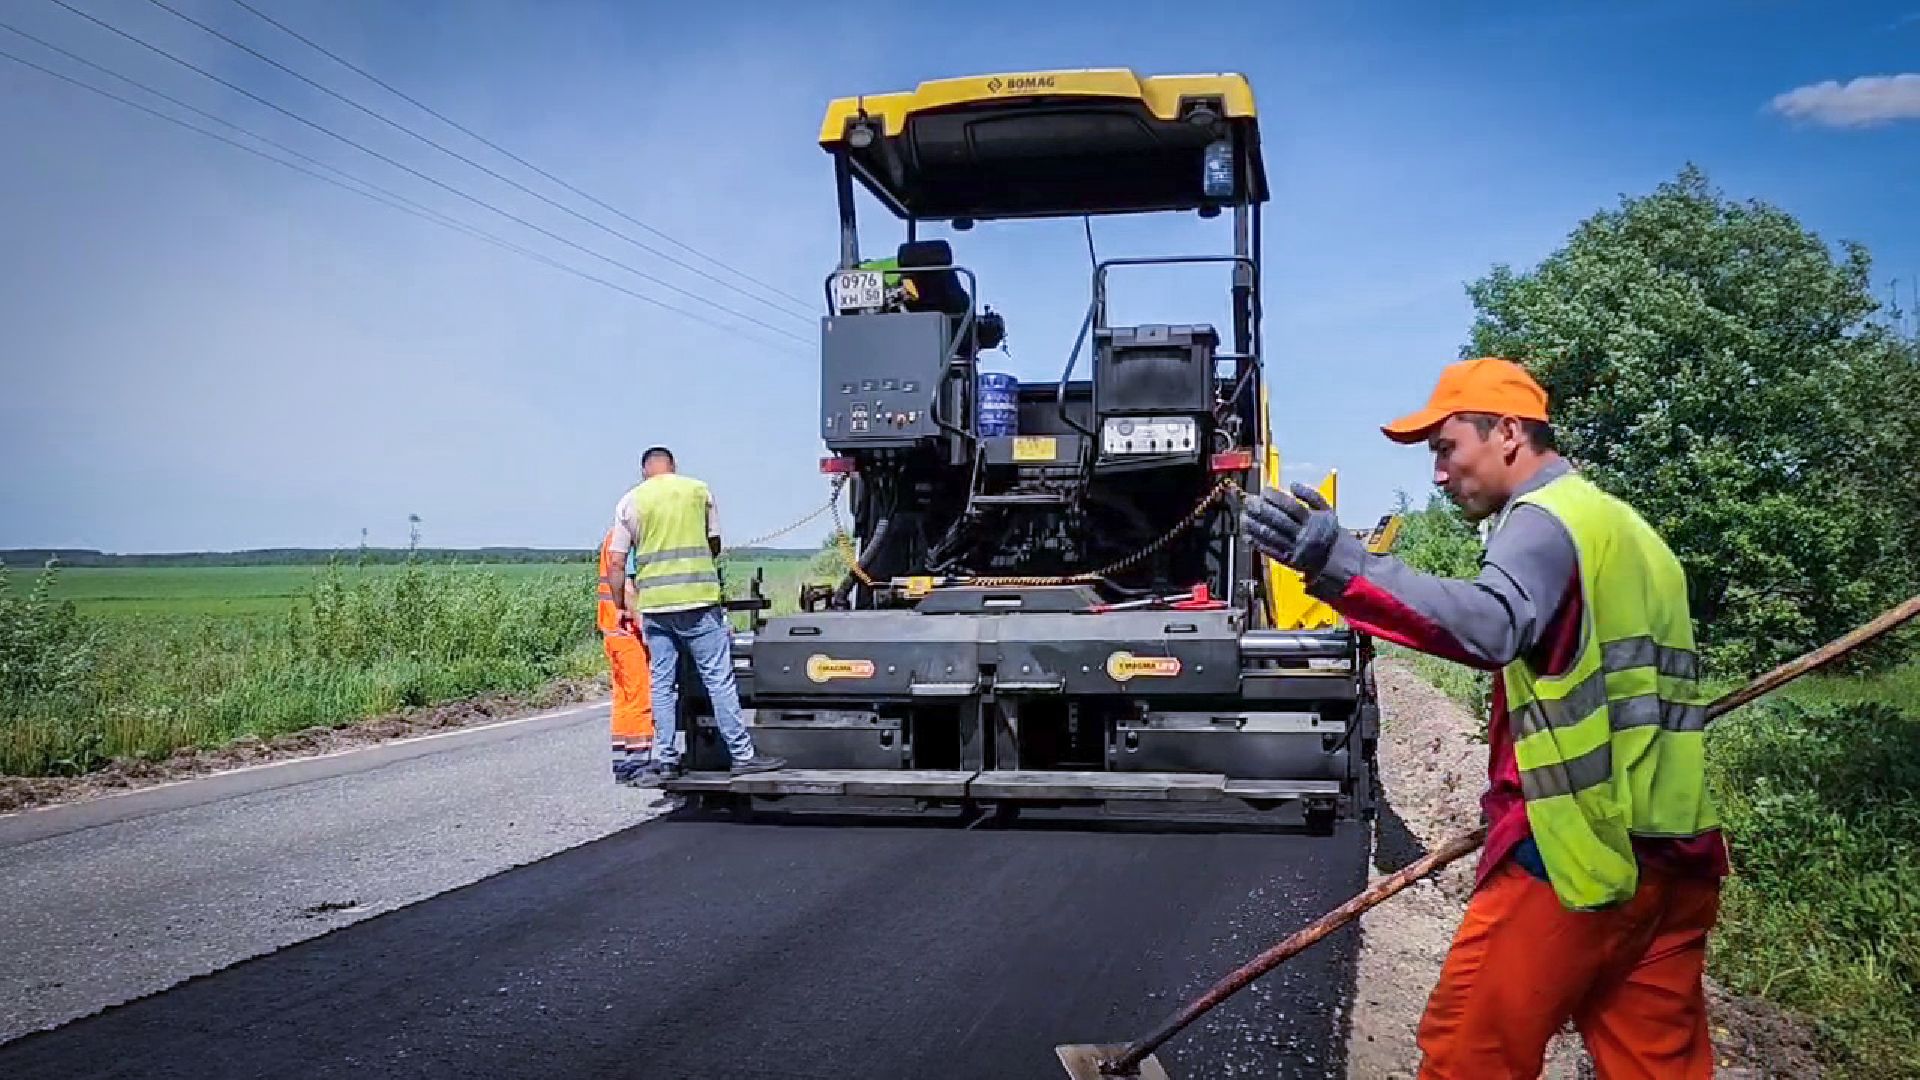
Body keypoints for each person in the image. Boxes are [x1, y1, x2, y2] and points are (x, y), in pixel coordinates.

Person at [1242, 357, 1727, 1080]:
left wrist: (1343, 565)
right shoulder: (1627, 530)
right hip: (1675, 854)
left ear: (1507, 432)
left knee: (1470, 1053)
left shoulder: (1543, 521)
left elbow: (1494, 625)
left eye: (1446, 447)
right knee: (1657, 1064)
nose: (1439, 473)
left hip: (1574, 859)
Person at [605, 446, 784, 786]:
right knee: (718, 679)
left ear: (645, 471)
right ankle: (743, 756)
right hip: (699, 603)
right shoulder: (698, 490)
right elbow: (713, 544)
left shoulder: (630, 501)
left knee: (661, 683)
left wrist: (620, 606)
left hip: (657, 608)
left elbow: (616, 563)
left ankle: (669, 760)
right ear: (673, 467)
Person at [596, 524, 653, 784]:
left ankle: (623, 761)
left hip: (613, 631)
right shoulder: (625, 540)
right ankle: (639, 762)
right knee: (641, 698)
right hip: (629, 632)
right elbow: (628, 589)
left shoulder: (612, 537)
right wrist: (648, 629)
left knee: (624, 699)